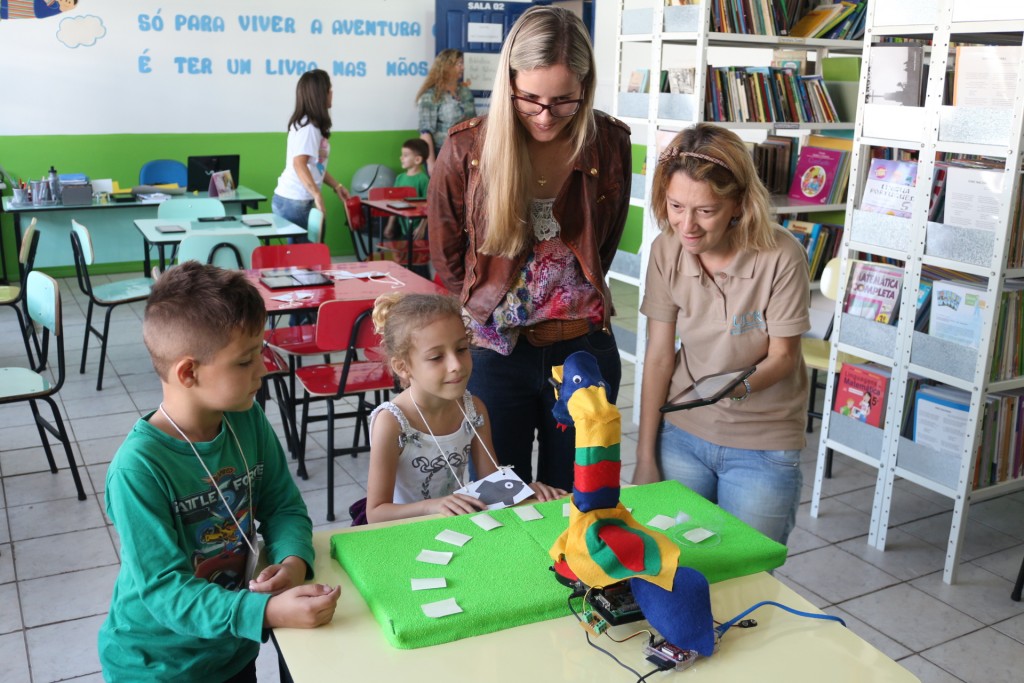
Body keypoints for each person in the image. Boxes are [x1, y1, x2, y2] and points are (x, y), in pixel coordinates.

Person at [98, 262, 340, 682]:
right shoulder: (138, 469)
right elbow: (164, 590)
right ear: (188, 372)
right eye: (246, 361)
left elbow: (283, 506)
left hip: (231, 647)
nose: (263, 371)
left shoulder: (244, 420)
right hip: (159, 665)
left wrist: (294, 560)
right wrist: (265, 610)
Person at [429, 6, 632, 492]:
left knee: (581, 497)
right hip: (495, 354)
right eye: (530, 98)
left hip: (583, 348)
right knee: (503, 498)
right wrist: (483, 316)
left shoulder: (609, 142)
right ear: (508, 82)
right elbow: (447, 256)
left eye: (564, 101)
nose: (546, 116)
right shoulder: (466, 149)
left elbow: (604, 241)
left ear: (586, 86)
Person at [632, 123, 810, 546]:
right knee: (677, 567)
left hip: (763, 446)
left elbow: (783, 356)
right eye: (676, 206)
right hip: (682, 436)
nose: (687, 226)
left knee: (747, 574)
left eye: (705, 211)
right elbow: (659, 355)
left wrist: (731, 387)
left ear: (739, 205)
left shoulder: (782, 256)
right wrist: (644, 457)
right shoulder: (666, 249)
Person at [365, 293, 566, 523]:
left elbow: (491, 485)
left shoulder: (474, 409)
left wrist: (527, 493)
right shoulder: (391, 422)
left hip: (453, 524)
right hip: (406, 533)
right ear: (403, 367)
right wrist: (434, 506)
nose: (456, 365)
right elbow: (376, 513)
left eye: (461, 349)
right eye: (436, 357)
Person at [272, 68, 350, 240]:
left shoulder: (310, 125)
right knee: (308, 260)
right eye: (329, 89)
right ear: (322, 94)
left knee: (306, 259)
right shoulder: (308, 128)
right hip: (296, 202)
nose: (332, 93)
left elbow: (316, 166)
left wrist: (336, 186)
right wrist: (317, 194)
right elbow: (299, 164)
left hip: (291, 200)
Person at [416, 48, 476, 174]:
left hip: (465, 152)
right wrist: (431, 163)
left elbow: (473, 123)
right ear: (447, 66)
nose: (463, 67)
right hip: (442, 153)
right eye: (459, 64)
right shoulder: (431, 95)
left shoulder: (465, 91)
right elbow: (426, 132)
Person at [382, 138, 430, 242]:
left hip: (417, 228)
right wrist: (390, 225)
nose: (401, 158)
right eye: (402, 154)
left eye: (405, 155)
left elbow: (429, 205)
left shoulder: (423, 179)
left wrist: (422, 227)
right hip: (403, 226)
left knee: (418, 256)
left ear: (417, 159)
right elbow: (394, 203)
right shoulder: (400, 178)